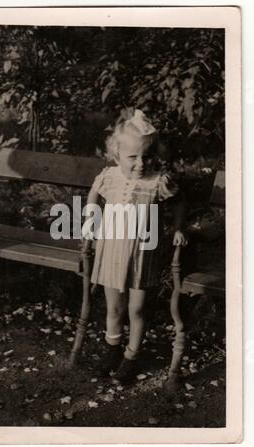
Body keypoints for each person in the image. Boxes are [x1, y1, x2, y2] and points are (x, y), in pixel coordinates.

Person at [82, 109, 187, 384]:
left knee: (136, 309)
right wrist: (91, 219)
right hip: (112, 251)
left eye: (147, 156)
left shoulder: (157, 181)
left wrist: (177, 228)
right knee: (114, 307)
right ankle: (112, 349)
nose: (141, 163)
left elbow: (179, 202)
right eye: (133, 157)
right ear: (117, 155)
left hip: (143, 255)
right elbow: (94, 193)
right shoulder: (110, 176)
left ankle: (132, 355)